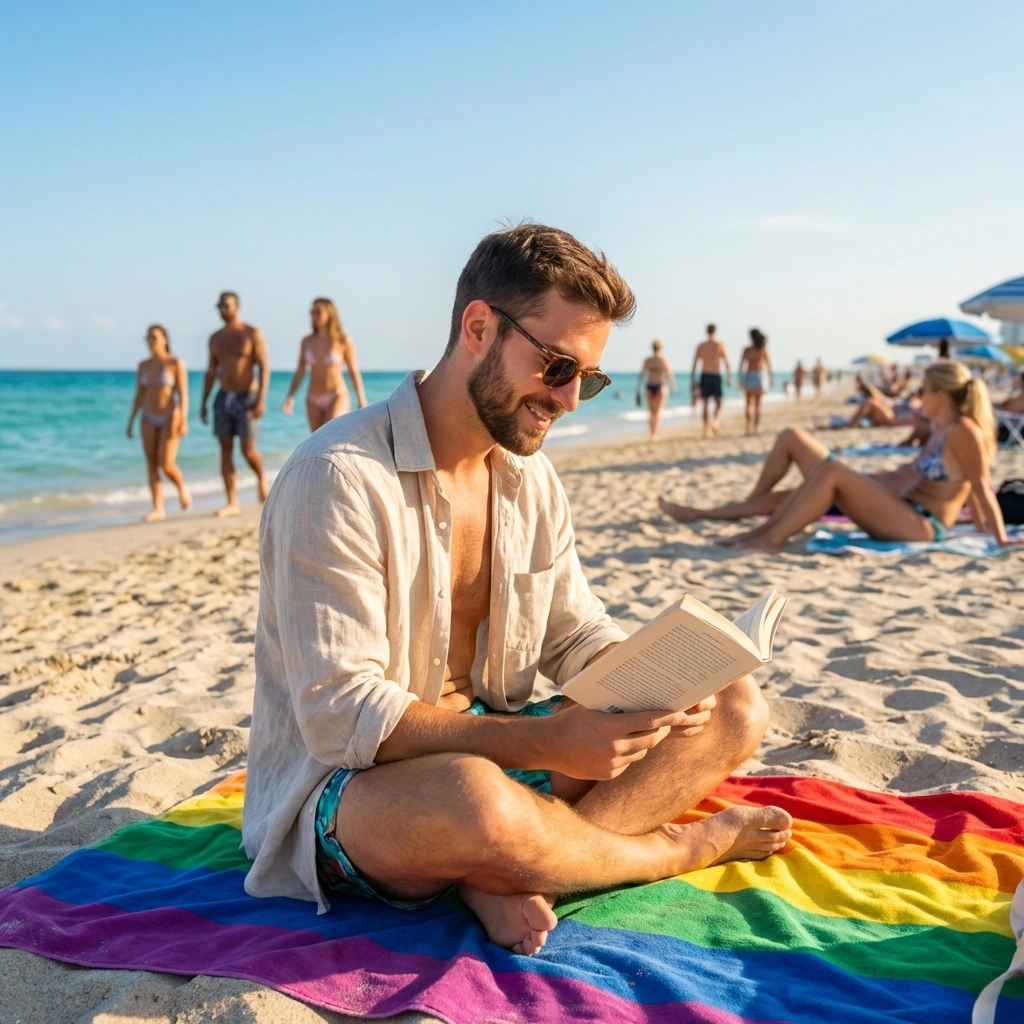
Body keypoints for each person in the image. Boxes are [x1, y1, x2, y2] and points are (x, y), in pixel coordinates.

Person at [243, 224, 791, 958]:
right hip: (353, 793)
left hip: (498, 756)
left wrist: (660, 677)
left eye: (587, 379)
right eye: (557, 365)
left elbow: (570, 632)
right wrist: (545, 738)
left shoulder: (530, 479)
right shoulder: (337, 478)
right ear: (479, 327)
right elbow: (340, 717)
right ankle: (669, 852)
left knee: (734, 705)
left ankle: (518, 874)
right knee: (472, 798)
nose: (568, 398)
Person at [660, 361, 1017, 552]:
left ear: (941, 394)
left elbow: (981, 485)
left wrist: (996, 536)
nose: (919, 395)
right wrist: (983, 526)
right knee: (797, 479)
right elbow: (963, 485)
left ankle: (769, 539)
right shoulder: (942, 426)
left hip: (921, 525)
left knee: (831, 473)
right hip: (901, 508)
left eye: (923, 390)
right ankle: (760, 529)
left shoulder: (964, 430)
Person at [200, 292, 270, 516]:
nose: (223, 309)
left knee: (248, 450)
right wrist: (204, 401)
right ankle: (232, 501)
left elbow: (264, 367)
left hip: (247, 396)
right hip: (223, 396)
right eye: (219, 305)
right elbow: (211, 371)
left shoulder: (251, 333)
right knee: (225, 451)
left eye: (226, 305)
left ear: (237, 307)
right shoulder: (215, 338)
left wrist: (261, 398)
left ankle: (261, 479)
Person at [126, 325, 192, 522]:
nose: (150, 341)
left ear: (165, 339)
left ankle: (182, 488)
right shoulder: (143, 365)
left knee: (166, 463)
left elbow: (183, 394)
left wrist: (184, 421)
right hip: (148, 416)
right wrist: (131, 420)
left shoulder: (175, 363)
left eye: (154, 337)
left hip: (170, 416)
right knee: (151, 463)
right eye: (147, 337)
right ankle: (158, 507)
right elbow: (139, 394)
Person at [283, 298, 369, 431]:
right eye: (312, 312)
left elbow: (353, 371)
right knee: (317, 441)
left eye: (318, 312)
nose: (314, 315)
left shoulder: (343, 340)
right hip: (312, 398)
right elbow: (300, 371)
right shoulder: (307, 341)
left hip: (336, 394)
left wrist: (361, 399)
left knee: (331, 434)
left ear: (330, 313)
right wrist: (290, 396)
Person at [691, 325, 731, 437]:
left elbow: (695, 363)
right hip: (715, 375)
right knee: (719, 402)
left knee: (705, 403)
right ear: (715, 331)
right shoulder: (720, 344)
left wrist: (693, 379)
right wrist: (729, 377)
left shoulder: (701, 346)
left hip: (704, 375)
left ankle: (706, 429)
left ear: (706, 331)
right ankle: (715, 422)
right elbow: (726, 362)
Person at [636, 339, 677, 441]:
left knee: (651, 412)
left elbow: (642, 376)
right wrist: (673, 387)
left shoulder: (648, 360)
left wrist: (638, 388)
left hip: (649, 386)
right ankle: (655, 434)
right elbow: (669, 375)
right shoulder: (663, 360)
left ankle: (652, 433)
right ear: (661, 348)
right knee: (658, 412)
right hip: (660, 386)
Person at [738, 329, 773, 435]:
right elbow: (769, 365)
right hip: (759, 376)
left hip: (749, 375)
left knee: (748, 404)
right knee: (758, 405)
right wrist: (771, 378)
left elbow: (741, 365)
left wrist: (740, 379)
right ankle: (755, 428)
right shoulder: (763, 349)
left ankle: (747, 427)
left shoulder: (747, 350)